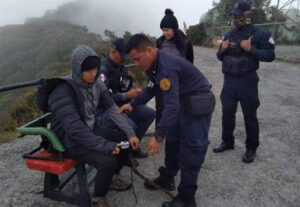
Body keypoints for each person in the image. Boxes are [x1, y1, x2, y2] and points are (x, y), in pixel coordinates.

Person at [120, 34, 215, 207]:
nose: (137, 63)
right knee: (173, 141)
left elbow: (170, 106)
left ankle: (187, 198)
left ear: (150, 50)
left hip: (197, 102)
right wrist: (132, 105)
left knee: (191, 150)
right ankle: (168, 177)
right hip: (182, 101)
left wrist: (157, 136)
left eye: (138, 58)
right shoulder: (154, 64)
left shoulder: (166, 66)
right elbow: (151, 87)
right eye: (133, 60)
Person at [45, 45, 140, 207]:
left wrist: (130, 133)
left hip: (90, 129)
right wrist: (105, 145)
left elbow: (111, 109)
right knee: (108, 160)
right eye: (87, 70)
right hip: (67, 141)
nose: (93, 73)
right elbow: (74, 130)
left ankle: (110, 177)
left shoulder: (97, 83)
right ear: (77, 68)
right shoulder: (63, 91)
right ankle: (98, 198)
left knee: (124, 141)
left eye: (95, 68)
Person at [213, 0, 275, 163]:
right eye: (234, 16)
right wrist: (222, 50)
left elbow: (270, 55)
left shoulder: (259, 33)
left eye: (238, 15)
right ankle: (227, 141)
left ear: (248, 15)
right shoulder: (229, 34)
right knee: (227, 113)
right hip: (229, 82)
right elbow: (220, 57)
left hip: (247, 82)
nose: (235, 19)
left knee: (250, 116)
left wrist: (251, 49)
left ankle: (251, 148)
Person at [99, 38, 155, 158]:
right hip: (106, 111)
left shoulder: (121, 67)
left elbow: (123, 86)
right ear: (114, 52)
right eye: (123, 56)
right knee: (131, 126)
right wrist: (126, 95)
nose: (125, 59)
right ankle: (123, 154)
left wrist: (133, 92)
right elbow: (103, 98)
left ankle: (133, 147)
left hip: (121, 105)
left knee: (149, 114)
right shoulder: (103, 71)